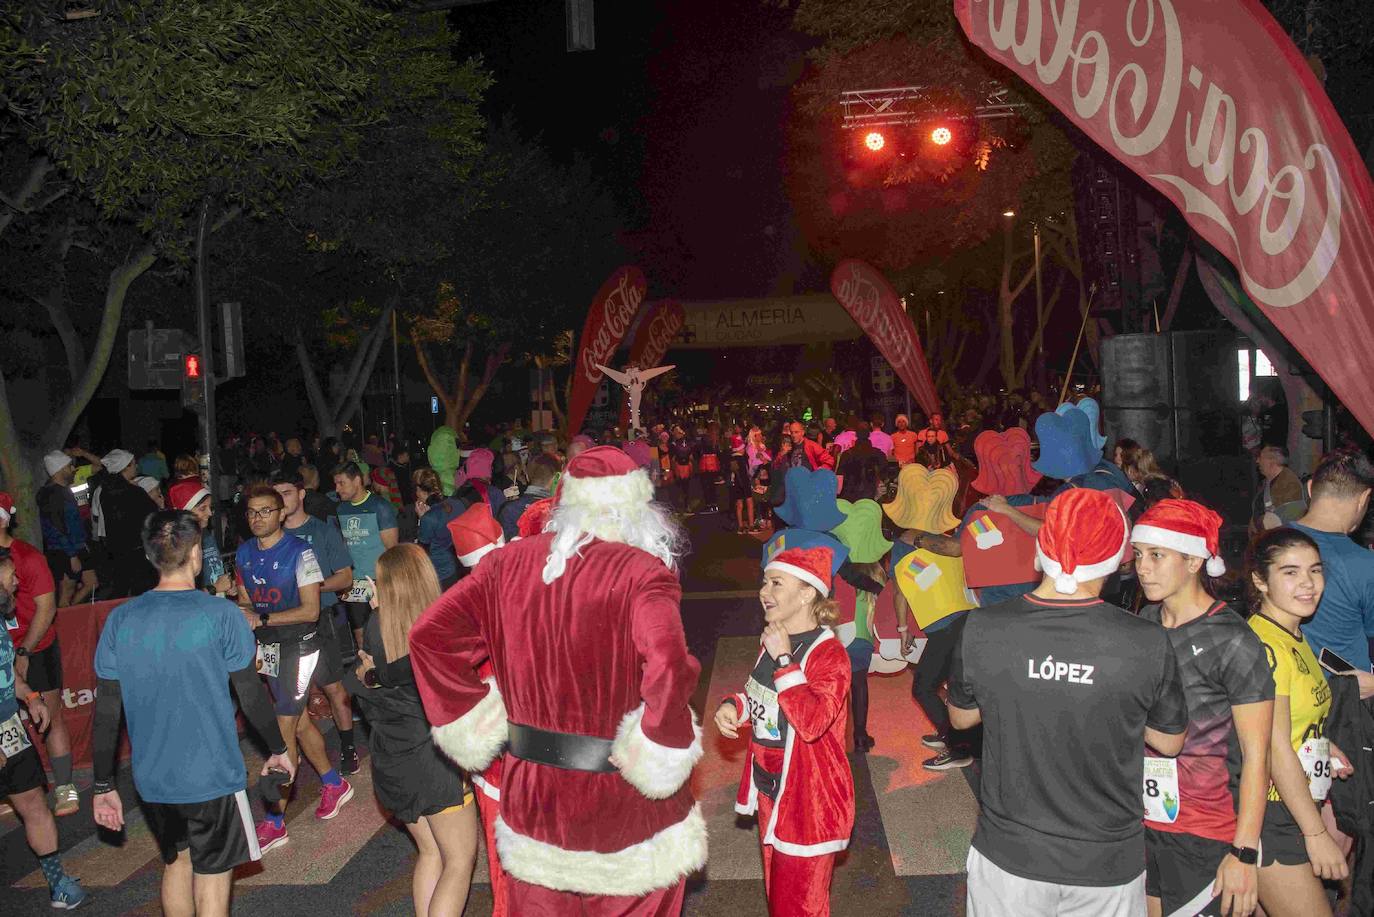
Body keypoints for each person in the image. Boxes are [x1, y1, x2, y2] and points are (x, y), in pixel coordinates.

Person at [409, 446, 705, 915]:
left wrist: (476, 718)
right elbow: (668, 667)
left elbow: (428, 637)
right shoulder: (641, 572)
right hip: (624, 808)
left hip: (535, 799)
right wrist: (659, 751)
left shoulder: (506, 565)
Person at [947, 488, 1188, 916]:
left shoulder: (983, 627)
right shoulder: (1146, 640)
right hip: (1106, 862)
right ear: (1117, 558)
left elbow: (962, 717)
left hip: (1010, 855)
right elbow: (1170, 741)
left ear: (1041, 547)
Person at [92, 511, 294, 916]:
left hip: (152, 779)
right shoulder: (220, 615)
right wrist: (277, 748)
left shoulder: (120, 620)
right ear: (197, 554)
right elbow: (251, 693)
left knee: (177, 863)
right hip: (211, 774)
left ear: (152, 557)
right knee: (214, 876)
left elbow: (107, 711)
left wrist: (101, 785)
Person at [1132, 499, 1275, 917]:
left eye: (1157, 555)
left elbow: (1257, 756)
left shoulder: (1233, 639)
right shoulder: (1141, 624)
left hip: (1206, 831)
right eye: (1139, 555)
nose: (1143, 567)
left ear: (1194, 560)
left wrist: (1244, 853)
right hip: (1142, 825)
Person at [716, 545, 855, 916]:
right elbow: (761, 695)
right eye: (765, 582)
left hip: (808, 800)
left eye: (777, 583)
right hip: (771, 790)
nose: (765, 591)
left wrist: (782, 659)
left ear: (808, 592)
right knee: (780, 898)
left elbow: (810, 722)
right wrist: (735, 706)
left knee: (800, 905)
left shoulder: (829, 656)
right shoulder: (775, 637)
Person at [351, 545, 479, 916]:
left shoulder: (376, 628)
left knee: (430, 852)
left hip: (391, 761)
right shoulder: (438, 636)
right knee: (459, 861)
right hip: (433, 763)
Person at [235, 485, 351, 853]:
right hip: (268, 649)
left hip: (301, 646)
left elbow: (311, 611)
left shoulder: (301, 552)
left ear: (282, 513)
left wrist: (261, 617)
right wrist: (248, 624)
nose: (258, 518)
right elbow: (243, 600)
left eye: (266, 511)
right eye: (252, 512)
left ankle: (274, 822)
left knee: (281, 734)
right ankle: (334, 783)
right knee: (298, 724)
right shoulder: (243, 551)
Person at [1244, 528, 1352, 916]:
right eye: (1290, 572)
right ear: (1261, 580)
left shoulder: (1294, 631)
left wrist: (1323, 745)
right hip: (1273, 814)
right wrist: (1316, 833)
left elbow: (1291, 723)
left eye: (1315, 570)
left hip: (1295, 803)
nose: (1308, 583)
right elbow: (1274, 748)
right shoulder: (1266, 645)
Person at [0, 553, 87, 909]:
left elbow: (8, 675)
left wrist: (31, 695)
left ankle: (58, 885)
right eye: (9, 577)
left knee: (34, 802)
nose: (17, 583)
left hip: (9, 729)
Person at [273, 471, 360, 775]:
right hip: (284, 627)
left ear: (301, 495)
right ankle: (294, 758)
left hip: (322, 619)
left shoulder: (322, 531)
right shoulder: (269, 537)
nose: (280, 501)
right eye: (276, 495)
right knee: (291, 695)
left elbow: (346, 577)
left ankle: (348, 745)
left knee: (334, 687)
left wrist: (310, 588)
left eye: (285, 492)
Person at [0, 492, 78, 816]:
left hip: (36, 646)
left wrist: (24, 651)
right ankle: (14, 791)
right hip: (4, 651)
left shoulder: (27, 556)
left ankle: (64, 786)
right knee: (8, 723)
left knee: (50, 714)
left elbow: (47, 609)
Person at [1289, 450, 1374, 696]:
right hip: (1346, 708)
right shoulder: (1365, 565)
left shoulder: (1270, 547)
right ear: (1364, 499)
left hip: (1285, 698)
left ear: (1310, 487)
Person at [332, 462, 399, 653]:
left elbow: (392, 550)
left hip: (380, 581)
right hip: (354, 583)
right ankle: (369, 673)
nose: (337, 489)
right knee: (360, 636)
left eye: (341, 483)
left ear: (357, 480)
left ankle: (391, 674)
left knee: (386, 632)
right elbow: (345, 544)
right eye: (335, 484)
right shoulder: (341, 509)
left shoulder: (380, 507)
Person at [97, 448, 159, 598]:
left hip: (116, 551)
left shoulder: (104, 491)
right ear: (125, 467)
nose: (137, 466)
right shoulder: (134, 492)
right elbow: (152, 515)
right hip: (137, 551)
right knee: (142, 591)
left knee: (122, 591)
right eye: (133, 464)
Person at [36, 450, 94, 607]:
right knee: (66, 591)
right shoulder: (52, 494)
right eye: (69, 466)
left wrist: (82, 544)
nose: (73, 469)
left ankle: (69, 615)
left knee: (91, 583)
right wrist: (72, 555)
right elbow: (57, 527)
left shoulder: (63, 491)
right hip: (64, 550)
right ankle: (64, 621)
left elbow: (72, 523)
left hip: (76, 546)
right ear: (60, 469)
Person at [170, 478, 233, 597]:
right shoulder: (176, 546)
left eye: (210, 507)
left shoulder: (206, 535)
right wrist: (215, 588)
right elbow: (178, 597)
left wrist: (227, 586)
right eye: (202, 508)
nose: (210, 513)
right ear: (185, 512)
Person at [414, 468, 461, 590]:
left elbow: (422, 551)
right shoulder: (456, 503)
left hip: (437, 573)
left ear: (420, 491)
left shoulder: (429, 519)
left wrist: (421, 519)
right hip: (455, 568)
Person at [1252, 446, 1307, 534]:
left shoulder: (1289, 484)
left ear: (1273, 461)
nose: (1257, 461)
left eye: (1261, 458)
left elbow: (1288, 519)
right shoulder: (1269, 482)